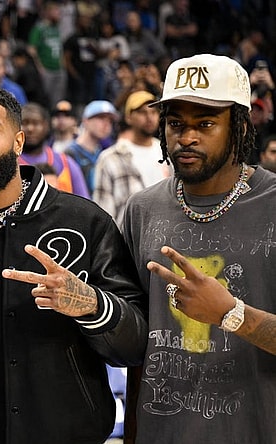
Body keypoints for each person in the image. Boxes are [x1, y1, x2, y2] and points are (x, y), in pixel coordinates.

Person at [0, 84, 148, 443]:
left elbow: (135, 344)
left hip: (62, 432)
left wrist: (92, 305)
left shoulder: (83, 222)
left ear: (18, 143)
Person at [122, 53, 276, 443]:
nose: (186, 137)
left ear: (240, 127)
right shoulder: (143, 208)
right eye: (176, 123)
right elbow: (138, 346)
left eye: (205, 123)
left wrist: (231, 314)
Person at [94, 90, 170, 225]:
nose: (149, 117)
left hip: (165, 232)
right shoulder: (111, 157)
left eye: (153, 112)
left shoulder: (168, 152)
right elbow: (103, 212)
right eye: (142, 112)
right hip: (127, 239)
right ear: (129, 117)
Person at [19, 102, 89, 198]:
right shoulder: (9, 164)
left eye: (36, 123)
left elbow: (84, 203)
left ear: (46, 126)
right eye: (25, 123)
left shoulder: (65, 162)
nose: (30, 128)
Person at [65, 100, 119, 194]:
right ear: (86, 120)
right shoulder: (70, 153)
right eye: (101, 118)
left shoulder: (105, 152)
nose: (106, 124)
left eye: (110, 120)